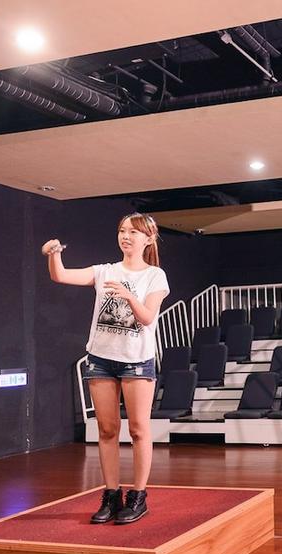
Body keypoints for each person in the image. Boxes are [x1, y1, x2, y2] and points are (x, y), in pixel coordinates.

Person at [41, 213, 169, 524]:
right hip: (101, 359)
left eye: (133, 232)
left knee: (138, 429)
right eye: (122, 231)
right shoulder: (104, 271)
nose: (126, 236)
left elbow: (147, 318)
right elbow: (60, 276)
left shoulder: (155, 275)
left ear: (148, 239)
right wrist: (54, 254)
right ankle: (111, 495)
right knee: (107, 430)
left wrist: (128, 295)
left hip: (136, 360)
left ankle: (138, 496)